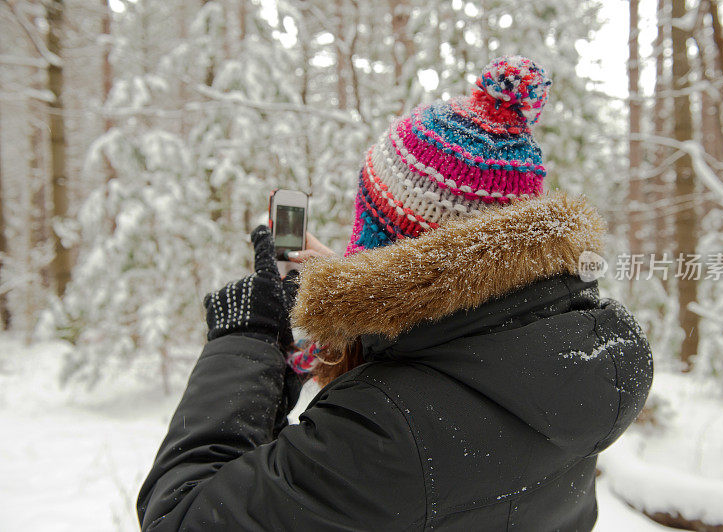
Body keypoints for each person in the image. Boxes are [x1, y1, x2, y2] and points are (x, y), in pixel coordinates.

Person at [137, 56, 653, 531]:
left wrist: (248, 340)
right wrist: (350, 310)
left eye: (370, 223)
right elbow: (460, 360)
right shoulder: (587, 351)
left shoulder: (384, 429)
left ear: (391, 245)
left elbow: (179, 516)